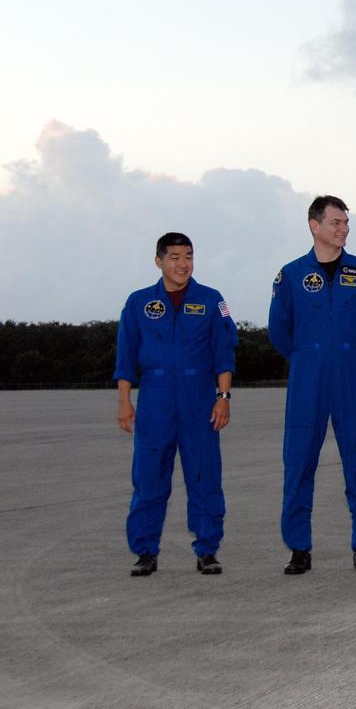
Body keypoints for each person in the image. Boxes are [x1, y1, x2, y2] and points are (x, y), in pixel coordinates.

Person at [269, 195, 356, 575]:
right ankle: (299, 548)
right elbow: (279, 330)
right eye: (336, 222)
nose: (344, 229)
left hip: (351, 375)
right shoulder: (290, 274)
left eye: (346, 222)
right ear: (314, 225)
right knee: (299, 461)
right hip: (308, 377)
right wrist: (308, 357)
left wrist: (348, 351)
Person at [114, 232, 237, 576]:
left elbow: (224, 353)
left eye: (188, 256)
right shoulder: (138, 303)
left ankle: (207, 550)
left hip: (199, 399)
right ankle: (145, 552)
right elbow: (125, 358)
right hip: (154, 400)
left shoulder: (213, 301)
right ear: (159, 261)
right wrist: (125, 402)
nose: (183, 264)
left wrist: (223, 398)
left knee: (204, 476)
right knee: (149, 478)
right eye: (174, 257)